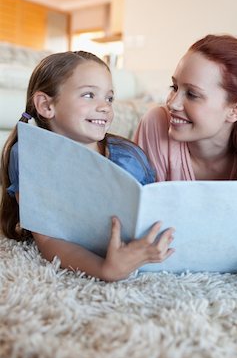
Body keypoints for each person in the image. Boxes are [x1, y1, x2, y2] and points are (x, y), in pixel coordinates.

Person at [135, 34, 237, 281]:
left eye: (192, 94)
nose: (172, 102)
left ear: (236, 110)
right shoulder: (156, 123)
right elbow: (137, 212)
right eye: (174, 87)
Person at [0, 51, 174, 281]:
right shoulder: (27, 154)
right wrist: (104, 269)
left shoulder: (128, 159)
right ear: (45, 105)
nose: (105, 107)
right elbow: (49, 240)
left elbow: (153, 218)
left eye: (109, 98)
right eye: (89, 95)